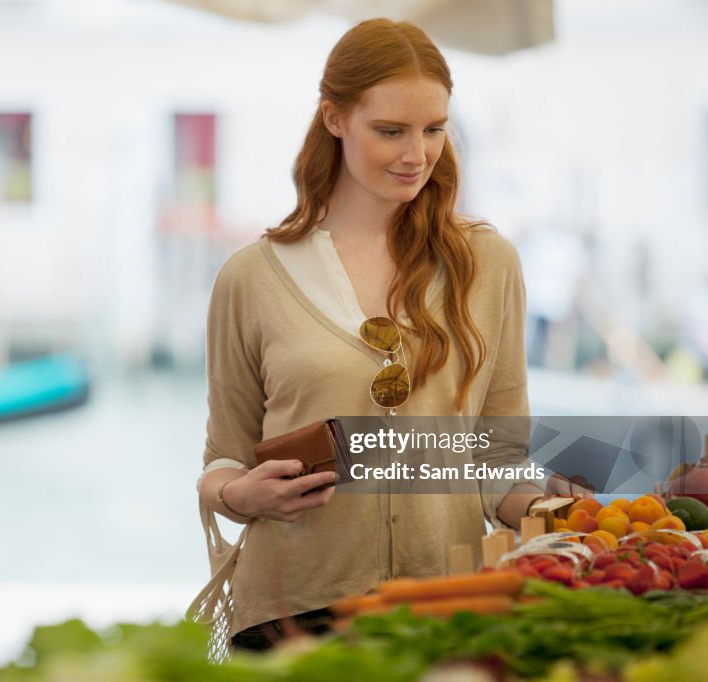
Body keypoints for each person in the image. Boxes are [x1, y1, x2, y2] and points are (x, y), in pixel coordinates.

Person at [196, 18, 576, 653]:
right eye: (390, 131)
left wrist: (556, 511)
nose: (416, 155)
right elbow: (223, 462)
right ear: (334, 119)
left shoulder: (490, 266)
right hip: (291, 614)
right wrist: (243, 493)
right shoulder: (250, 278)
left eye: (434, 129)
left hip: (448, 608)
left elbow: (498, 461)